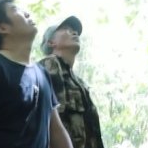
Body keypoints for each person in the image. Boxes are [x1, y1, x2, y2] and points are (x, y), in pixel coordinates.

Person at [0, 0, 73, 148]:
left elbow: (56, 130)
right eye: (16, 10)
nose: (27, 14)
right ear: (2, 28)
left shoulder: (42, 73)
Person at [38, 16, 105, 148]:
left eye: (75, 31)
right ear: (51, 42)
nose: (74, 33)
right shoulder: (49, 65)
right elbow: (48, 121)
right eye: (66, 30)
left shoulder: (79, 83)